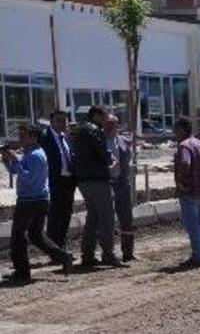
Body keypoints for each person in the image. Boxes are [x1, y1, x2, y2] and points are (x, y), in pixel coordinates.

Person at [1, 124, 74, 284]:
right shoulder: (30, 153)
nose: (20, 138)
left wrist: (15, 160)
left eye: (23, 135)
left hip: (30, 200)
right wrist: (7, 160)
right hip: (37, 200)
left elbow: (28, 178)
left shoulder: (35, 155)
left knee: (18, 237)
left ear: (34, 137)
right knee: (36, 235)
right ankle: (63, 257)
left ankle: (22, 272)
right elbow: (16, 171)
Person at [72, 106, 123, 268]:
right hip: (97, 180)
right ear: (96, 116)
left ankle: (87, 254)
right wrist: (111, 160)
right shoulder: (94, 130)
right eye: (103, 117)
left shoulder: (80, 130)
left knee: (93, 218)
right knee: (107, 218)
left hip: (83, 180)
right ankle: (108, 254)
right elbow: (101, 152)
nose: (105, 121)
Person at [173, 117, 200, 268]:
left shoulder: (184, 146)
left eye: (175, 129)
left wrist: (181, 182)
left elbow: (185, 163)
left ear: (181, 129)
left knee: (192, 226)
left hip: (190, 192)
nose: (174, 133)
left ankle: (197, 257)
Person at [40, 109, 77, 250]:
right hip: (54, 182)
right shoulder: (44, 137)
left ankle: (62, 244)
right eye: (59, 120)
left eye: (65, 120)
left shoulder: (67, 137)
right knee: (54, 215)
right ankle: (54, 248)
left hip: (68, 181)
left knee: (66, 213)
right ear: (52, 121)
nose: (63, 123)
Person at [105, 115, 136, 261]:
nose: (110, 126)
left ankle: (128, 252)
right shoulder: (99, 141)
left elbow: (128, 159)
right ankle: (108, 253)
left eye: (113, 123)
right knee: (107, 220)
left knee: (126, 219)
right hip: (106, 185)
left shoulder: (123, 142)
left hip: (122, 184)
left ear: (118, 125)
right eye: (108, 123)